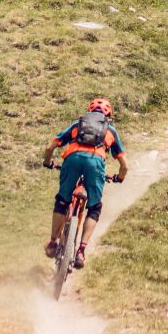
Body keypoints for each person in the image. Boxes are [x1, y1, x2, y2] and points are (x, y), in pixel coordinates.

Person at [42, 96, 127, 269]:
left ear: (89, 111)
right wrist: (119, 177)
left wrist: (48, 162)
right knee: (94, 208)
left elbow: (50, 147)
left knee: (62, 201)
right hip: (95, 163)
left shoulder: (77, 124)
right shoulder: (110, 130)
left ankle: (52, 243)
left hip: (72, 160)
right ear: (108, 114)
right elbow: (125, 165)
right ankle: (81, 251)